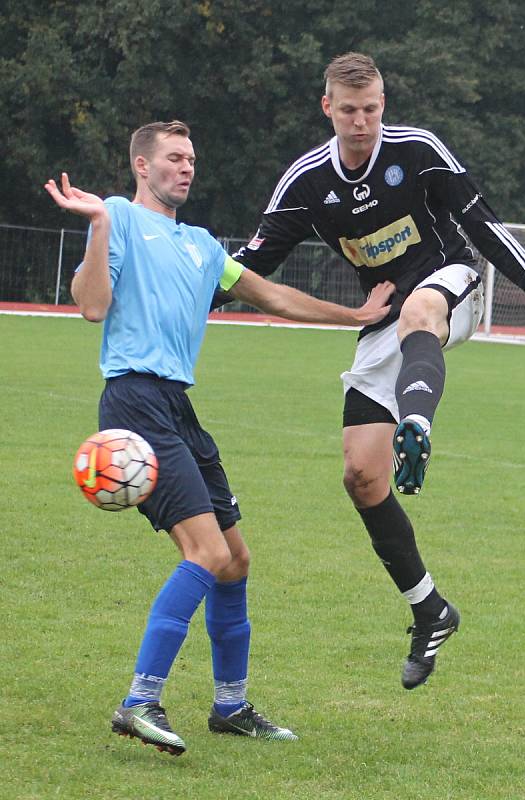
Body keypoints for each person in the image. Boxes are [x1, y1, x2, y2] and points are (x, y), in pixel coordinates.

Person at [225, 52, 525, 690]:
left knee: (421, 308)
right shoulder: (307, 183)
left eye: (371, 109)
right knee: (362, 475)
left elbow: (487, 226)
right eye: (348, 111)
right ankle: (430, 609)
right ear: (327, 109)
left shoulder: (418, 152)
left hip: (451, 285)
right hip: (384, 320)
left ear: (382, 104)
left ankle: (416, 425)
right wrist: (182, 281)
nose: (361, 122)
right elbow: (253, 265)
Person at [44, 120, 393, 756]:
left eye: (192, 158)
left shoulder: (203, 245)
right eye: (174, 157)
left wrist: (358, 315)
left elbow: (275, 298)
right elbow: (92, 305)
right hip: (134, 400)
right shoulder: (118, 216)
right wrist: (96, 228)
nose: (187, 167)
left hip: (177, 406)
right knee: (204, 553)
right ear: (142, 167)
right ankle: (139, 701)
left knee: (235, 561)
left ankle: (230, 705)